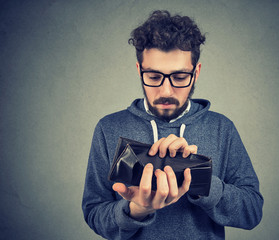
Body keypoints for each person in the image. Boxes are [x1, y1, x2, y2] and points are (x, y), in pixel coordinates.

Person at [82, 10, 263, 240]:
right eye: (154, 77)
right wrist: (136, 210)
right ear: (140, 71)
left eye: (179, 77)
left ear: (196, 73)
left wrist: (197, 177)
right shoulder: (108, 128)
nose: (166, 91)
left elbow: (252, 211)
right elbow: (94, 213)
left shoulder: (222, 128)